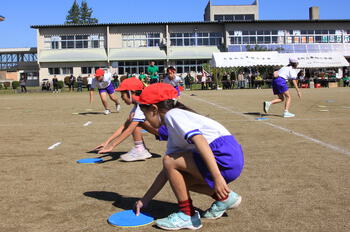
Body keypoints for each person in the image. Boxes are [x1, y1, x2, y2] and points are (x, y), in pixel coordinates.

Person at [133, 83, 244, 230]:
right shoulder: (175, 123)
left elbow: (200, 141)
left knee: (169, 161)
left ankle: (187, 215)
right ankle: (225, 198)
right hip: (230, 158)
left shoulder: (173, 115)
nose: (145, 119)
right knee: (180, 179)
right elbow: (167, 171)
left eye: (144, 114)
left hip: (224, 157)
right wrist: (145, 200)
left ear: (154, 109)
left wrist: (217, 177)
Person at [95, 77, 168, 161]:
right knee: (133, 120)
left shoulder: (142, 105)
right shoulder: (138, 104)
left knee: (135, 122)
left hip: (169, 132)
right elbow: (124, 126)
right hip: (166, 130)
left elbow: (129, 130)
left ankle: (140, 150)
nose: (122, 98)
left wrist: (111, 146)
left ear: (131, 92)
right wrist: (107, 142)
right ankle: (141, 149)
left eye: (123, 95)